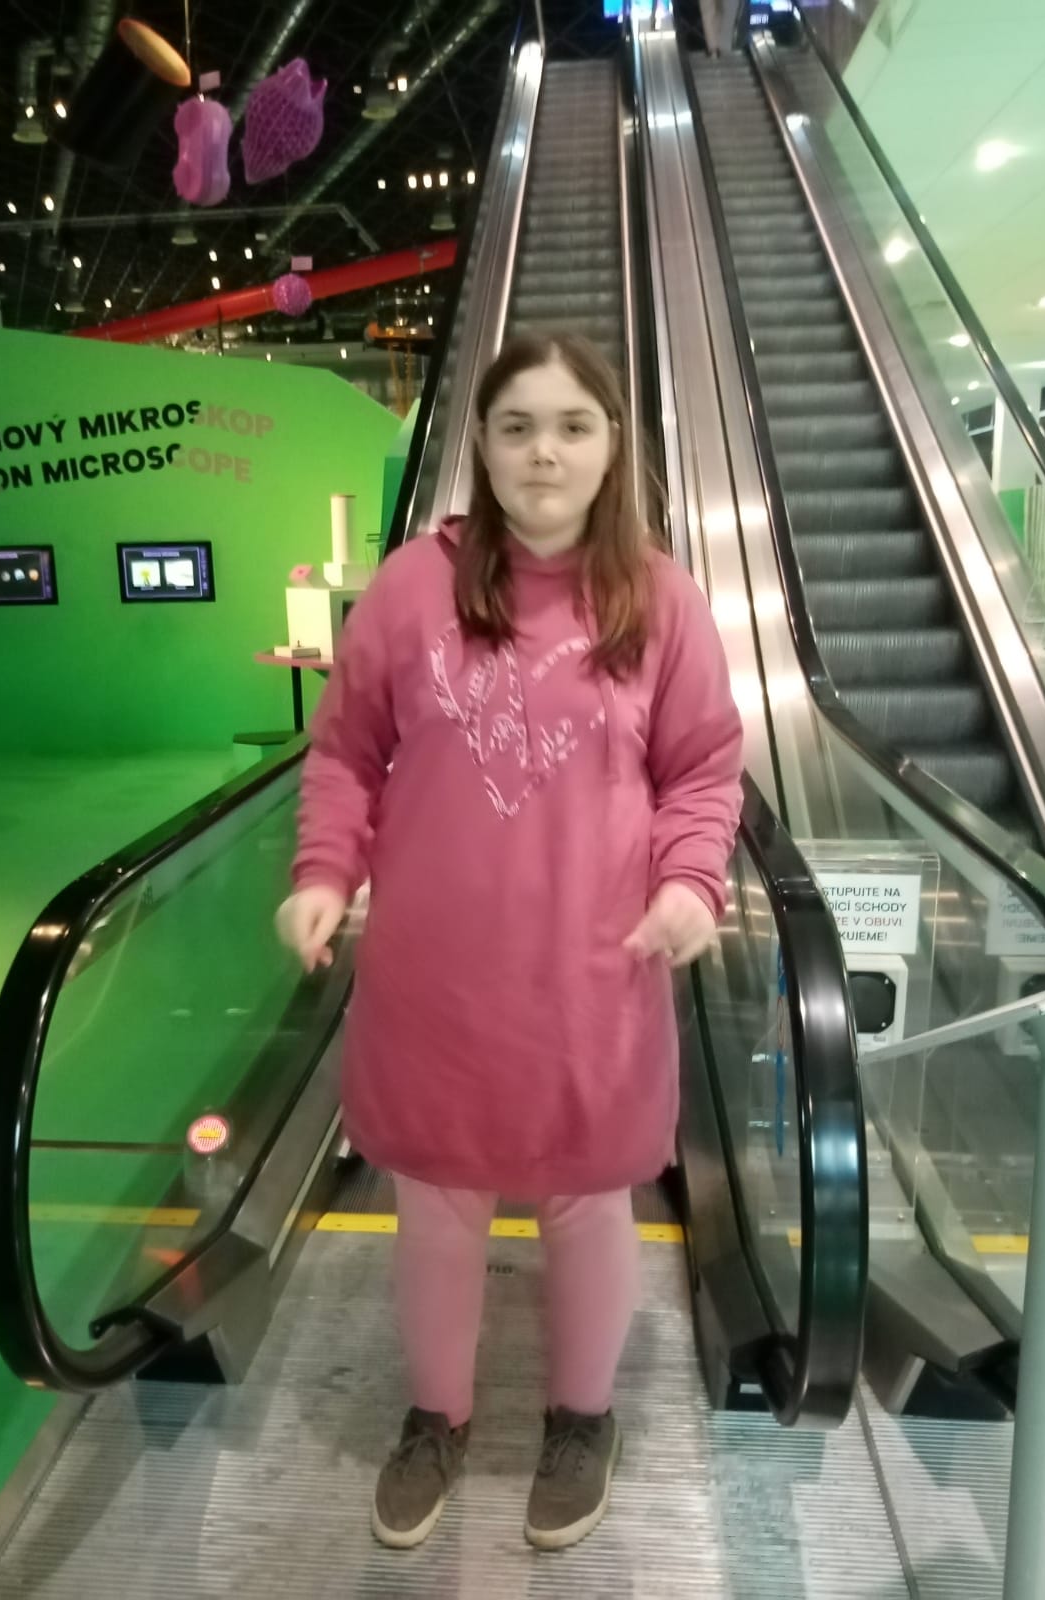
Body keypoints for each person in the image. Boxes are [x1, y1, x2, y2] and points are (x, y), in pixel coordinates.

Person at [276, 332, 743, 1553]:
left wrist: (692, 880)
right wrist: (324, 872)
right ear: (479, 445)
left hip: (595, 974)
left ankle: (582, 1417)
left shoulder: (660, 598)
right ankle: (436, 1415)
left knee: (588, 1198)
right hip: (436, 977)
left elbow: (703, 768)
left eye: (573, 426)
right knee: (438, 1200)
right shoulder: (407, 591)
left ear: (612, 446)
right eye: (518, 425)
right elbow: (345, 752)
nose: (545, 451)